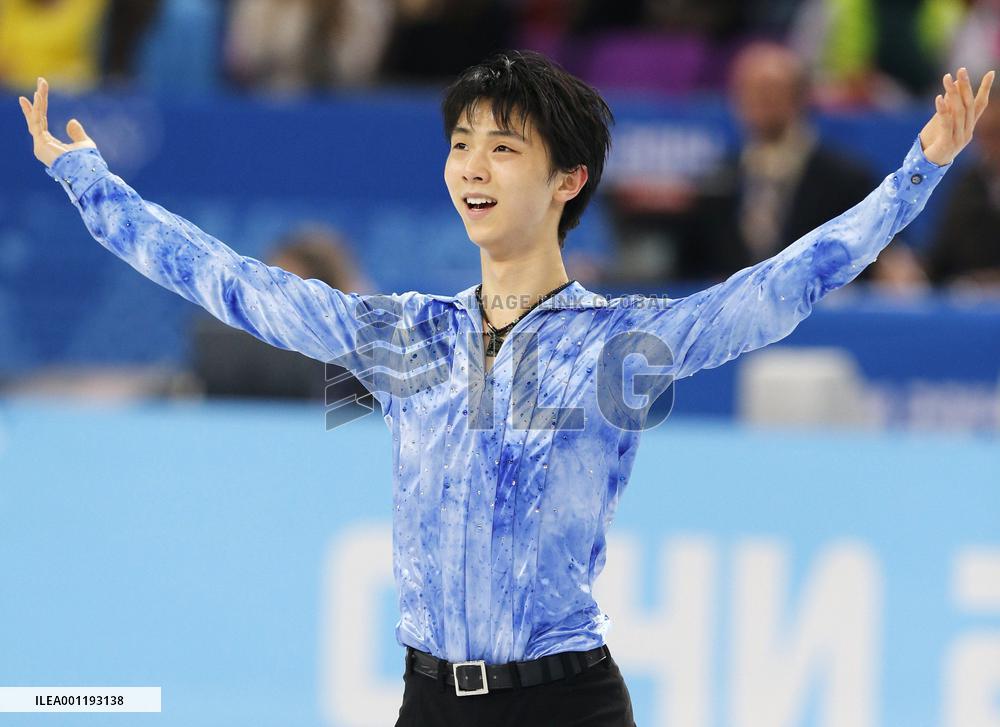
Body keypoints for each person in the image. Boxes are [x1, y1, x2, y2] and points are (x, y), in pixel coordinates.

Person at [19, 52, 992, 726]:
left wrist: (920, 170)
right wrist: (89, 181)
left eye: (502, 147)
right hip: (431, 700)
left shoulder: (622, 345)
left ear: (568, 179)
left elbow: (787, 285)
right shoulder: (410, 341)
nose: (471, 167)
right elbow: (231, 281)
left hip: (566, 703)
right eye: (460, 144)